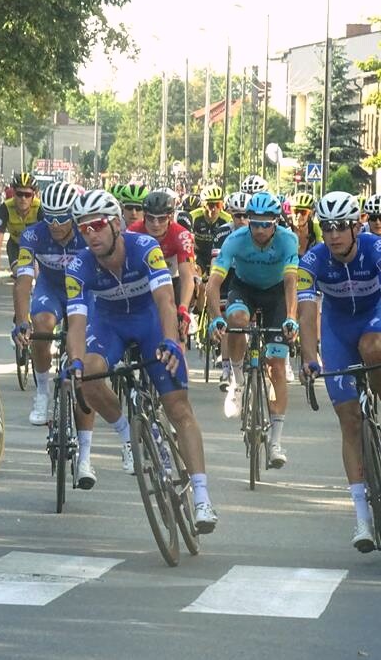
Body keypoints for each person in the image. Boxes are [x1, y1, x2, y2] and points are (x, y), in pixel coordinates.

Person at [65, 190, 218, 531]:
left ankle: (202, 498)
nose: (91, 234)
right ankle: (126, 435)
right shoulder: (78, 266)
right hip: (109, 325)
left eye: (97, 225)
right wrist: (75, 361)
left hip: (150, 323)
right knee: (87, 373)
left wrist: (171, 341)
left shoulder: (145, 248)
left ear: (116, 224)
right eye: (83, 228)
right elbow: (76, 322)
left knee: (178, 408)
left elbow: (165, 300)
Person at [297, 192, 381, 552]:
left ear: (356, 227)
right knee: (348, 420)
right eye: (327, 227)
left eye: (341, 227)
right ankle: (362, 517)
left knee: (372, 347)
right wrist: (309, 357)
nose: (333, 235)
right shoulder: (312, 260)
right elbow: (306, 314)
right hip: (337, 329)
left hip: (374, 318)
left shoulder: (375, 248)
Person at [12, 182, 99, 484]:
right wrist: (21, 321)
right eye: (49, 217)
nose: (55, 225)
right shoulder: (33, 235)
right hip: (50, 289)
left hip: (83, 294)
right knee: (42, 326)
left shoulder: (87, 235)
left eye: (62, 218)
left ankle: (85, 458)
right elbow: (23, 281)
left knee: (83, 372)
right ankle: (42, 392)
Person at [207, 191, 299, 467]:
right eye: (254, 223)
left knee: (276, 367)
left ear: (276, 222)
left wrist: (291, 317)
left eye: (265, 224)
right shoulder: (235, 240)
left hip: (276, 294)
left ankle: (276, 442)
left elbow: (291, 282)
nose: (259, 229)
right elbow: (213, 284)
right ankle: (237, 380)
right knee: (236, 321)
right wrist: (215, 318)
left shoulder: (288, 240)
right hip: (244, 289)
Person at [128, 190, 195, 340]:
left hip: (173, 279)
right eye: (150, 218)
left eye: (162, 219)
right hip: (143, 281)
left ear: (170, 217)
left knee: (178, 329)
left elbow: (187, 277)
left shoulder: (181, 235)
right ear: (144, 216)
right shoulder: (133, 232)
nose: (155, 224)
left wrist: (183, 308)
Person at [0, 172, 43, 314]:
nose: (23, 198)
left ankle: (40, 307)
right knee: (20, 276)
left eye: (27, 195)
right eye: (19, 194)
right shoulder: (6, 208)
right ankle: (19, 316)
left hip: (37, 248)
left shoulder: (40, 208)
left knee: (39, 277)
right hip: (16, 246)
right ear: (13, 193)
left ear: (34, 195)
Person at [211, 191, 250, 390]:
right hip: (228, 276)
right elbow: (215, 265)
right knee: (228, 321)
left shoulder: (260, 231)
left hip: (252, 278)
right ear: (231, 215)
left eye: (246, 215)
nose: (242, 220)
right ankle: (226, 368)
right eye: (237, 215)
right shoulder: (222, 233)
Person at [290, 191, 322, 256]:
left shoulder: (315, 228)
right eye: (295, 211)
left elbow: (321, 250)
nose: (299, 216)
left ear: (310, 214)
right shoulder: (285, 228)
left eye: (303, 212)